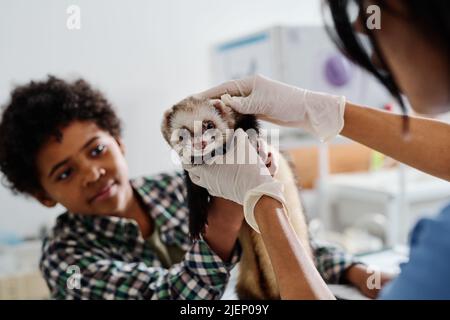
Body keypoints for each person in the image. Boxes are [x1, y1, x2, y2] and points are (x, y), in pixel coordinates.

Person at [0, 76, 382, 299]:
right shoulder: (65, 259)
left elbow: (294, 249)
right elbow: (173, 296)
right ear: (43, 194)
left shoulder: (171, 187)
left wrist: (357, 272)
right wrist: (231, 206)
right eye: (65, 173)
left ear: (119, 142)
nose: (92, 173)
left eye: (97, 150)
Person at [183, 0, 450, 299]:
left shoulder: (442, 248)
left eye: (365, 7)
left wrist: (261, 201)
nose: (362, 25)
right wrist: (317, 110)